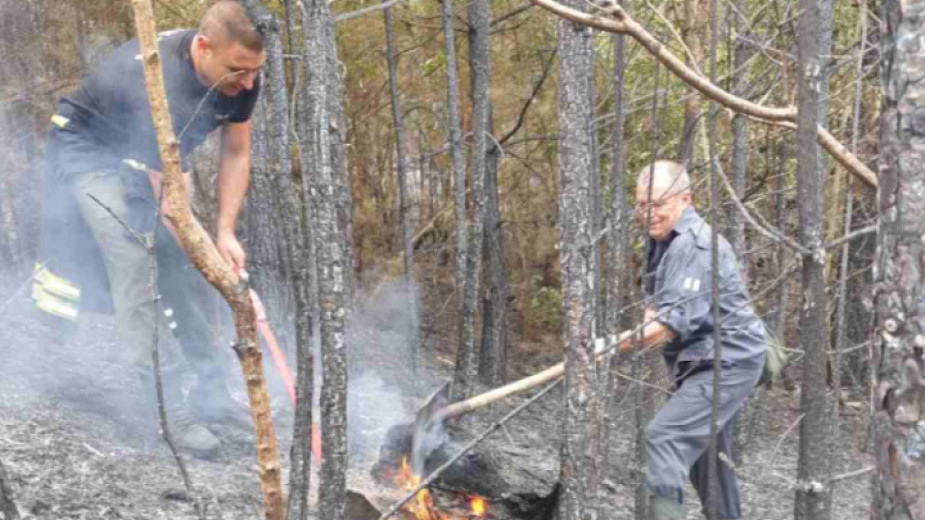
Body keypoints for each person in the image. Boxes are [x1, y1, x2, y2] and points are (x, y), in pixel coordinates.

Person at [33, 0, 267, 458]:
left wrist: (224, 234)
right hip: (85, 148)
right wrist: (219, 273)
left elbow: (236, 152)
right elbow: (170, 202)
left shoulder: (242, 74)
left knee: (181, 262)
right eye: (239, 70)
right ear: (203, 48)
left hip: (145, 163)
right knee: (137, 255)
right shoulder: (154, 85)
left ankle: (212, 394)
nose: (248, 82)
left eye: (255, 71)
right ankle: (166, 407)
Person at [616, 160, 767, 520]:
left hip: (728, 361)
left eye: (657, 203)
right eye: (641, 204)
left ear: (686, 199)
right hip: (701, 362)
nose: (648, 213)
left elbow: (669, 325)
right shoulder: (662, 242)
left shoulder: (696, 245)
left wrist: (607, 345)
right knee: (708, 460)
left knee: (662, 438)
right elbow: (656, 313)